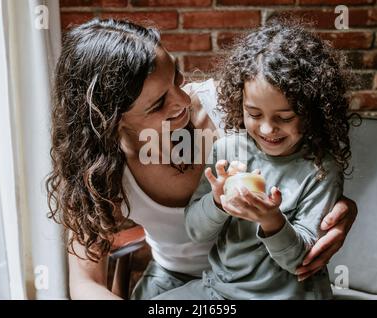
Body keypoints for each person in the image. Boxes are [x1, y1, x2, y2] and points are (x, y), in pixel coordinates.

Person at [46, 18, 358, 300]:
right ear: (110, 120)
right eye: (157, 104)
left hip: (264, 283)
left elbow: (310, 162)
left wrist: (343, 209)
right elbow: (85, 284)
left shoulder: (236, 106)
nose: (182, 100)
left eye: (177, 80)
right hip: (177, 281)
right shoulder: (97, 168)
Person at [153, 19, 359, 300]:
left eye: (284, 118)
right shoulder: (227, 150)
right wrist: (216, 202)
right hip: (221, 291)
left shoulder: (320, 169)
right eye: (254, 113)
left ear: (313, 112)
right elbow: (195, 231)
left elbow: (302, 262)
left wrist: (271, 219)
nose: (266, 129)